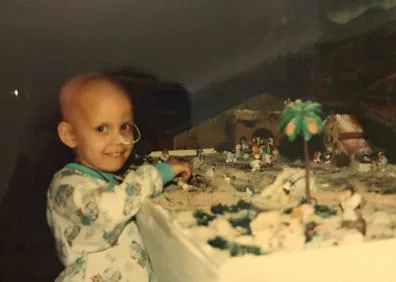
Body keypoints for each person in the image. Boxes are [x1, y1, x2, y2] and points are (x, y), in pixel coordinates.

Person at [46, 73, 191, 282]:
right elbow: (111, 208)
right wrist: (158, 174)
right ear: (70, 135)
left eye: (125, 127)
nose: (119, 140)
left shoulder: (108, 178)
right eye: (102, 128)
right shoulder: (67, 187)